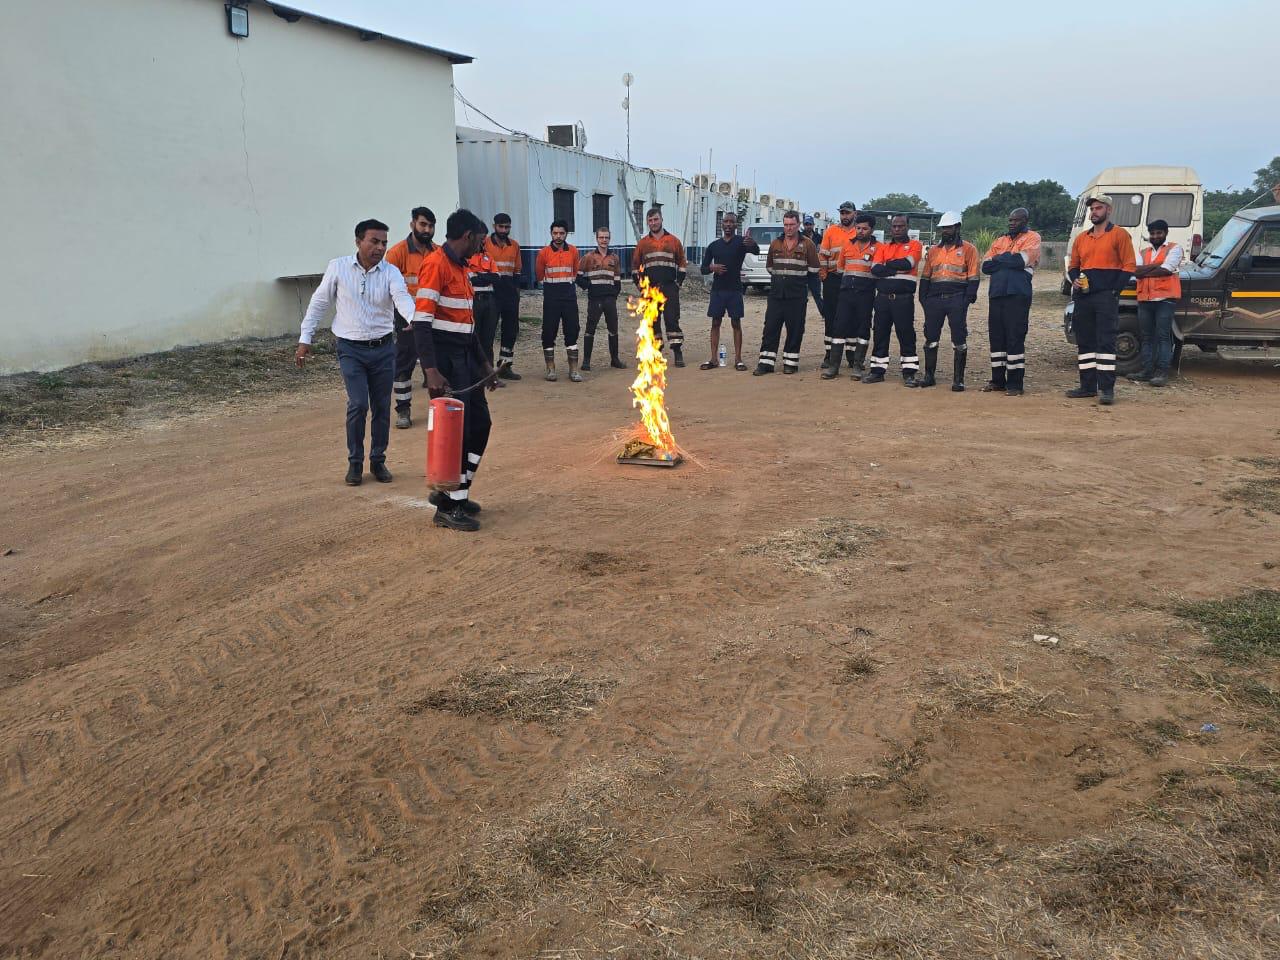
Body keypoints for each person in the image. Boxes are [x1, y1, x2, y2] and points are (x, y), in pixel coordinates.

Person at [296, 218, 415, 486]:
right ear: (358, 241)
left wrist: (414, 319)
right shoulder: (338, 267)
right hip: (351, 349)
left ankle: (378, 460)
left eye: (384, 242)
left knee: (382, 407)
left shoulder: (391, 272)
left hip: (383, 349)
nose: (380, 247)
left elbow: (402, 298)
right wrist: (305, 338)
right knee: (359, 404)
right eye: (374, 241)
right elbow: (319, 303)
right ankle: (355, 462)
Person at [412, 209, 499, 532]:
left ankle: (456, 493)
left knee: (480, 425)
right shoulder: (435, 264)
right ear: (467, 236)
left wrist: (485, 365)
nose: (481, 246)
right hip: (446, 362)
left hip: (466, 358)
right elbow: (421, 323)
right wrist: (431, 370)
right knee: (457, 434)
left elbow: (468, 326)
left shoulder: (462, 268)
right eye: (479, 239)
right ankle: (448, 507)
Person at [1067, 193, 1137, 405]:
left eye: (1098, 208)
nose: (1094, 212)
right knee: (1085, 341)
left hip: (1105, 297)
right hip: (1084, 297)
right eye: (1092, 209)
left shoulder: (1119, 235)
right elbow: (1074, 266)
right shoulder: (1082, 238)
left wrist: (1114, 291)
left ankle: (1106, 389)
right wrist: (1074, 279)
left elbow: (1129, 266)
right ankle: (1087, 387)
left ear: (1109, 210)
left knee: (1106, 342)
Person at [980, 207, 1041, 396]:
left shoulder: (1032, 238)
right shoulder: (1000, 240)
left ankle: (1015, 384)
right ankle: (997, 381)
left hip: (1018, 294)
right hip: (997, 294)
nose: (1012, 223)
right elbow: (985, 266)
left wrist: (999, 258)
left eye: (1016, 220)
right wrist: (1007, 259)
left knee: (1015, 337)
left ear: (1025, 221)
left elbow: (1022, 260)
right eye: (1010, 220)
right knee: (996, 338)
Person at [384, 207, 435, 428]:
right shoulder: (396, 253)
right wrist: (402, 318)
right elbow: (388, 290)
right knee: (403, 366)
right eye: (423, 224)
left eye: (431, 226)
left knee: (437, 365)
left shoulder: (438, 253)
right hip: (406, 320)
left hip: (433, 319)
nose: (427, 229)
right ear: (412, 224)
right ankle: (403, 410)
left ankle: (439, 410)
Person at [753, 210, 822, 375]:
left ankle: (790, 362)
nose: (789, 228)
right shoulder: (775, 244)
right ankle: (766, 363)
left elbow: (814, 269)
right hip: (776, 295)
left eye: (792, 225)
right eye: (786, 225)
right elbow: (770, 267)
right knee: (770, 328)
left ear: (798, 225)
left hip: (797, 295)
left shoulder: (808, 245)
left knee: (795, 329)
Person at [917, 211, 980, 390]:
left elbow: (974, 277)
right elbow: (926, 276)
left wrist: (966, 300)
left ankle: (958, 380)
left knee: (959, 338)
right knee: (931, 338)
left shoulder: (969, 249)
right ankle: (929, 376)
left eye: (949, 228)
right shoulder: (934, 251)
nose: (945, 231)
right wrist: (924, 299)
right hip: (934, 299)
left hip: (957, 298)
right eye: (943, 228)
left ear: (957, 227)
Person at [864, 214, 923, 386]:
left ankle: (909, 373)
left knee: (906, 334)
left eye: (901, 226)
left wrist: (887, 265)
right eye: (894, 226)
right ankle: (877, 371)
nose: (897, 229)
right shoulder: (883, 247)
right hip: (882, 299)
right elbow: (875, 269)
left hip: (903, 299)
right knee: (880, 333)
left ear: (907, 227)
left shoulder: (915, 245)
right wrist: (895, 267)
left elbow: (908, 264)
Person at [699, 211, 759, 371]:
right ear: (722, 224)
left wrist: (752, 244)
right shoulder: (713, 246)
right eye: (725, 221)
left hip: (735, 289)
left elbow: (756, 251)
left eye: (731, 222)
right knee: (715, 323)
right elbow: (703, 269)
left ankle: (738, 359)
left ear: (736, 225)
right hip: (718, 290)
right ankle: (713, 359)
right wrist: (712, 267)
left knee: (736, 323)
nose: (728, 224)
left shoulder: (742, 242)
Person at [824, 214, 878, 380]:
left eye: (865, 229)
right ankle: (833, 366)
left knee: (863, 328)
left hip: (865, 294)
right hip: (846, 293)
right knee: (839, 327)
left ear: (872, 230)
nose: (861, 231)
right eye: (858, 228)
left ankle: (857, 365)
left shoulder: (878, 248)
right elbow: (840, 268)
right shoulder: (847, 244)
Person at [1130, 218, 1182, 387]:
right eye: (1152, 233)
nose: (1155, 236)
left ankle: (1161, 372)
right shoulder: (1143, 251)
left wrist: (1145, 270)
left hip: (1165, 300)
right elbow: (1135, 271)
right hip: (1145, 299)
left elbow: (1166, 270)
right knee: (1146, 337)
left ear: (1165, 233)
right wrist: (1156, 265)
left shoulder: (1175, 248)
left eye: (1159, 233)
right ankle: (1146, 371)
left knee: (1163, 337)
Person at [632, 207, 688, 366]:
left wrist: (678, 283)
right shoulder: (643, 243)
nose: (653, 223)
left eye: (656, 219)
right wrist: (641, 288)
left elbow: (682, 263)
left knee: (672, 320)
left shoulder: (674, 241)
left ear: (661, 219)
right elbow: (635, 267)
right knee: (653, 321)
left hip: (669, 288)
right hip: (650, 290)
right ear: (647, 223)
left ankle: (677, 352)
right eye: (650, 220)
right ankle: (656, 353)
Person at [535, 219, 582, 382]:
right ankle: (550, 369)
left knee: (572, 331)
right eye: (555, 233)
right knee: (549, 332)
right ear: (551, 234)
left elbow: (575, 272)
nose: (558, 236)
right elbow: (539, 275)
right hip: (551, 298)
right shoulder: (543, 253)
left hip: (569, 297)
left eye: (561, 233)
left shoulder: (574, 251)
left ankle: (573, 370)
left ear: (566, 234)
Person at [577, 227, 625, 371]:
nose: (604, 240)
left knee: (613, 329)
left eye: (606, 237)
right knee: (590, 329)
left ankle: (615, 360)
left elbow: (617, 280)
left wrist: (614, 295)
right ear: (597, 239)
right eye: (601, 237)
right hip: (595, 300)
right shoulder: (588, 257)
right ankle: (586, 361)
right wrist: (589, 286)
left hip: (610, 299)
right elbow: (578, 277)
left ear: (609, 239)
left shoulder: (614, 258)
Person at [819, 201, 858, 371]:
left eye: (848, 213)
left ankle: (852, 357)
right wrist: (824, 276)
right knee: (831, 318)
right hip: (833, 280)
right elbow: (823, 256)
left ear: (855, 213)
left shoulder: (860, 231)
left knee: (852, 319)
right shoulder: (831, 231)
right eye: (842, 213)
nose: (845, 216)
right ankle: (829, 355)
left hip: (853, 280)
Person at [485, 213, 523, 380]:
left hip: (509, 293)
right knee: (488, 331)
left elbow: (517, 272)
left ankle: (505, 367)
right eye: (500, 227)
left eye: (507, 227)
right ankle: (486, 370)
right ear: (494, 226)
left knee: (510, 331)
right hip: (490, 292)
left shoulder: (514, 245)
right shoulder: (484, 244)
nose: (503, 230)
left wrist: (517, 294)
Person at [466, 226, 504, 387]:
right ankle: (473, 376)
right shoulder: (466, 257)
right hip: (474, 301)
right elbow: (470, 279)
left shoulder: (488, 256)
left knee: (488, 340)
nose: (483, 241)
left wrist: (480, 276)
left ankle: (489, 376)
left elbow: (497, 277)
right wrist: (486, 277)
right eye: (480, 238)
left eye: (484, 238)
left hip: (489, 301)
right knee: (473, 339)